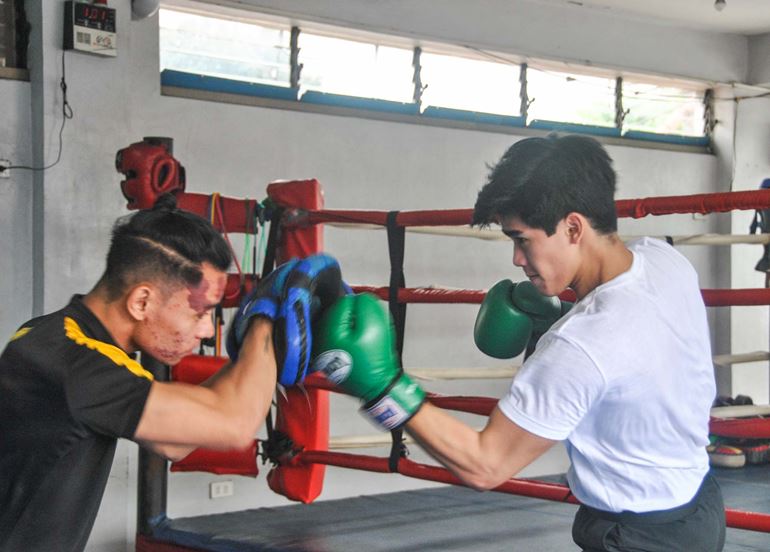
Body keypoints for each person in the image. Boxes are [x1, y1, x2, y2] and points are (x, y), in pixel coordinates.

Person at [312, 135, 726, 552]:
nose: (516, 258)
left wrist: (384, 387)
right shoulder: (665, 260)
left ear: (573, 227)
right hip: (700, 507)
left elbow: (484, 465)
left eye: (522, 239)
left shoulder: (581, 346)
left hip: (640, 539)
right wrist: (565, 317)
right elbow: (633, 344)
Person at [0, 193, 342, 552]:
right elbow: (233, 424)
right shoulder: (78, 369)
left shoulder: (64, 338)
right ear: (141, 301)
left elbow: (176, 442)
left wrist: (256, 348)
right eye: (199, 312)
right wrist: (267, 321)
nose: (208, 330)